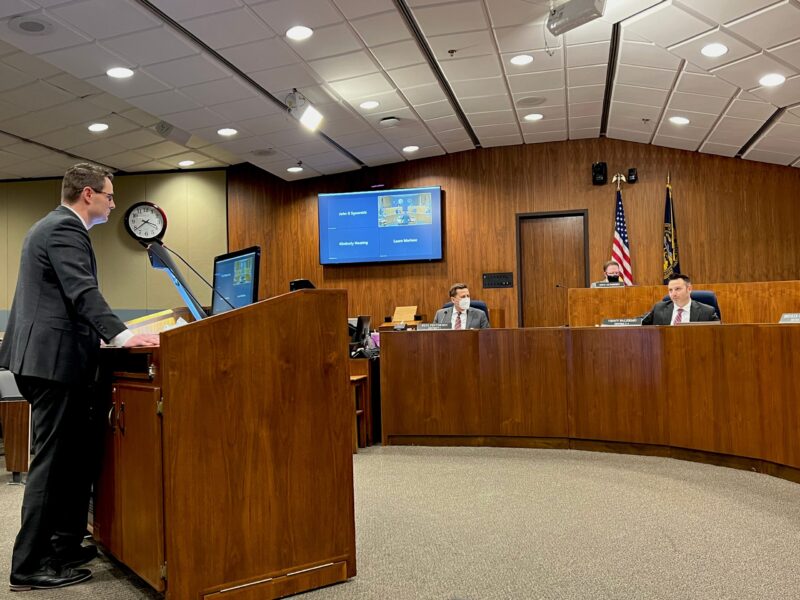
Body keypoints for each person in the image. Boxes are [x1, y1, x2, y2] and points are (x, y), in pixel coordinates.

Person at [0, 163, 160, 591]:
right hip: (52, 363)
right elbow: (82, 291)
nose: (113, 203)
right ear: (88, 194)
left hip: (50, 359)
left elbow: (64, 299)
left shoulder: (51, 226)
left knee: (71, 459)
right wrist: (122, 335)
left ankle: (63, 546)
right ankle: (28, 565)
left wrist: (103, 336)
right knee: (53, 464)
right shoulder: (64, 228)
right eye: (109, 195)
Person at [641, 273, 719, 325]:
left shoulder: (707, 312)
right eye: (670, 290)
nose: (673, 294)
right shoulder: (659, 308)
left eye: (677, 289)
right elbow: (640, 322)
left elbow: (719, 333)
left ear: (689, 289)